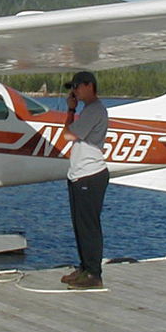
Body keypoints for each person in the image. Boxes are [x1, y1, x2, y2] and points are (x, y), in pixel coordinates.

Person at [60, 70, 109, 289]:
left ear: (89, 86)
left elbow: (68, 135)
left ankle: (94, 274)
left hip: (91, 174)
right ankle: (84, 267)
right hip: (79, 174)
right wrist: (72, 109)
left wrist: (70, 110)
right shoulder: (88, 110)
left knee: (89, 225)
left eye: (77, 87)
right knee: (80, 225)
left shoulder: (94, 110)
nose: (75, 91)